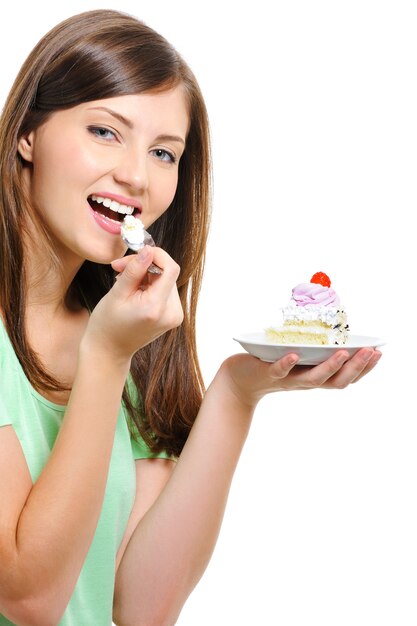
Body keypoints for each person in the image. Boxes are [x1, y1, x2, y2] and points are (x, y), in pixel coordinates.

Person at [0, 9, 382, 626]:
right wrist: (106, 356)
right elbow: (29, 598)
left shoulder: (125, 327)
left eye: (163, 152)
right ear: (27, 134)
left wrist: (236, 391)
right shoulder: (113, 340)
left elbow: (141, 607)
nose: (135, 174)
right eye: (104, 131)